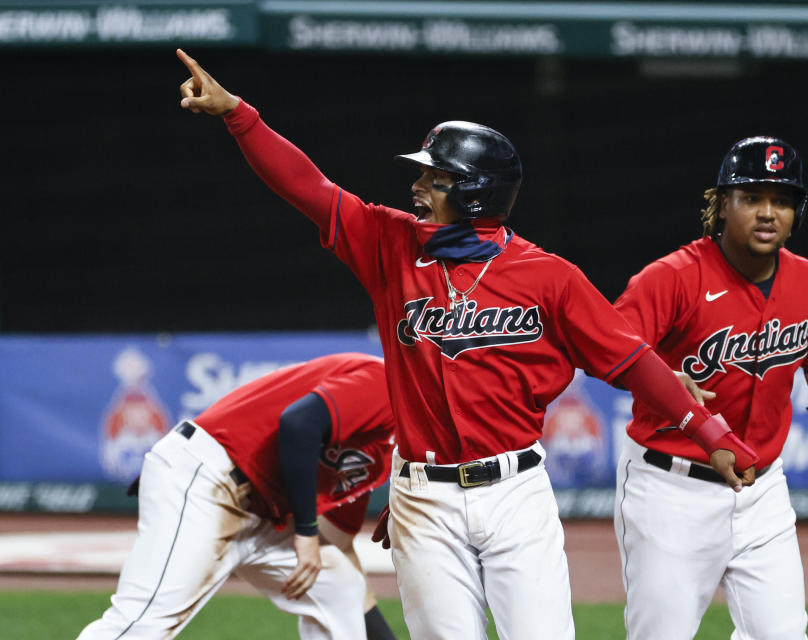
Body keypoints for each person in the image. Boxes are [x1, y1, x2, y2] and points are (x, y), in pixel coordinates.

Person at [174, 49, 758, 640]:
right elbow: (310, 189)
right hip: (424, 500)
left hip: (515, 493)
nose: (418, 186)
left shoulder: (548, 276)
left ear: (477, 193)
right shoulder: (391, 244)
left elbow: (633, 362)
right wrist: (238, 115)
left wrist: (710, 435)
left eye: (436, 178)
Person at [612, 136, 808, 640]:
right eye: (752, 198)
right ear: (721, 205)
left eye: (783, 200)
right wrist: (660, 379)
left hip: (764, 491)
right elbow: (610, 350)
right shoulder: (670, 278)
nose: (768, 213)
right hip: (672, 488)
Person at [77, 353, 398, 640]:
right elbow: (299, 424)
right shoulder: (386, 384)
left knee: (339, 586)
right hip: (208, 480)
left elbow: (339, 546)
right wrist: (305, 531)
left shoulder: (385, 460)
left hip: (259, 514)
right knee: (144, 623)